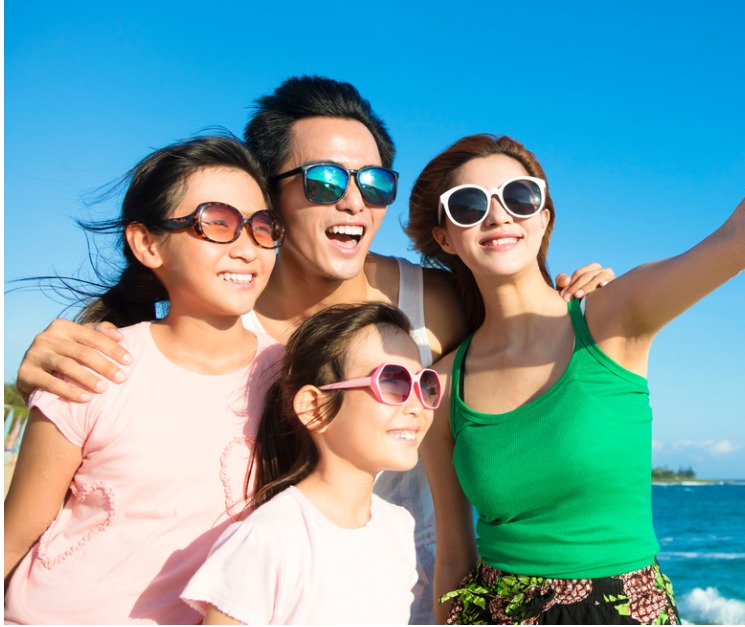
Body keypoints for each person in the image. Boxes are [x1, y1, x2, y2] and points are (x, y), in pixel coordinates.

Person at [12, 75, 612, 623]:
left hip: (399, 600)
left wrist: (580, 299)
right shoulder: (225, 307)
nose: (353, 201)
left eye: (375, 184)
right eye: (324, 180)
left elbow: (520, 339)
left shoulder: (431, 304)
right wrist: (46, 366)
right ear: (266, 198)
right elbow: (152, 383)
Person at [413, 69, 745, 624]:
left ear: (543, 216)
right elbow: (456, 559)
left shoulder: (613, 317)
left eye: (519, 195)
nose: (498, 213)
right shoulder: (441, 385)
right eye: (467, 204)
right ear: (445, 236)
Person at [3, 135, 283, 623]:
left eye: (262, 227)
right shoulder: (92, 365)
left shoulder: (291, 376)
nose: (247, 248)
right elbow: (15, 533)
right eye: (217, 223)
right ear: (147, 244)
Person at [183, 302, 438, 624]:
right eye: (392, 382)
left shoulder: (399, 525)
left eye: (425, 384)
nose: (418, 405)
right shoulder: (267, 538)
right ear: (314, 408)